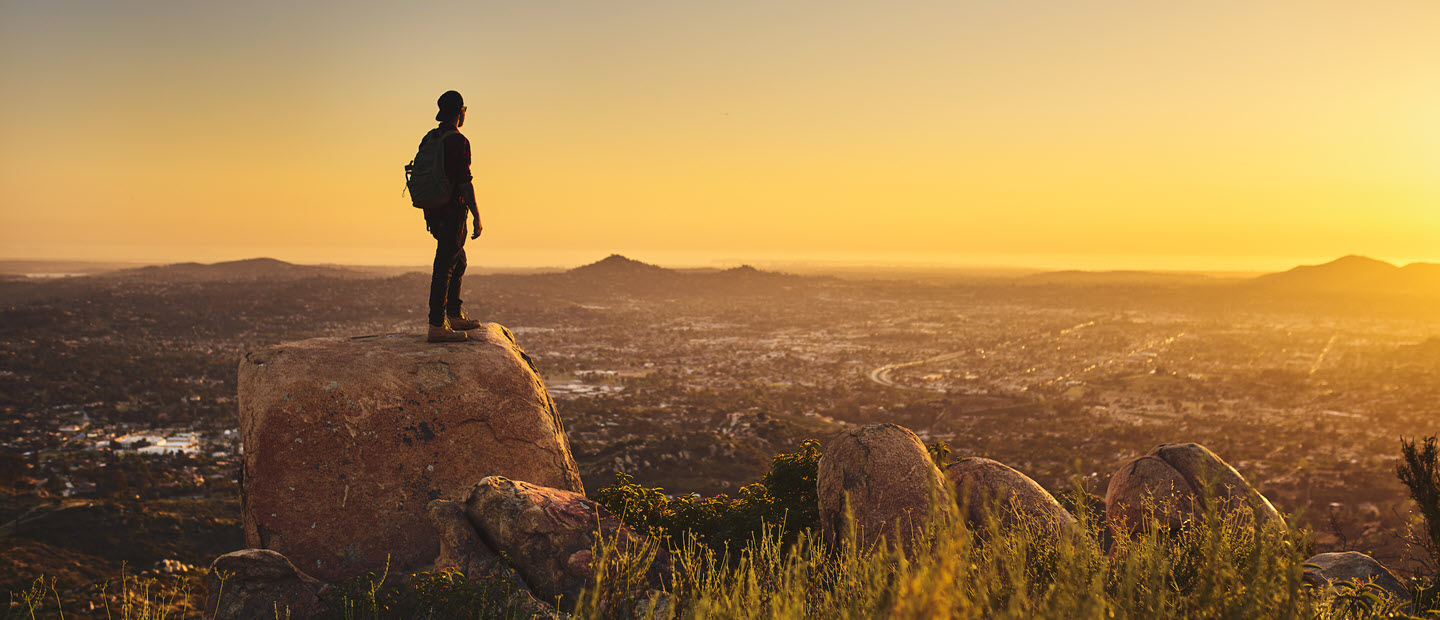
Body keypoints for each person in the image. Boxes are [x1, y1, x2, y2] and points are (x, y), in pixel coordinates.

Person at [423, 90, 484, 343]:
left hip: (434, 211)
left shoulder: (430, 138)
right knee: (445, 266)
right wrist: (477, 215)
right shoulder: (458, 141)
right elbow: (464, 182)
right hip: (452, 212)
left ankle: (453, 314)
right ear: (461, 112)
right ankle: (437, 325)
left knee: (458, 262)